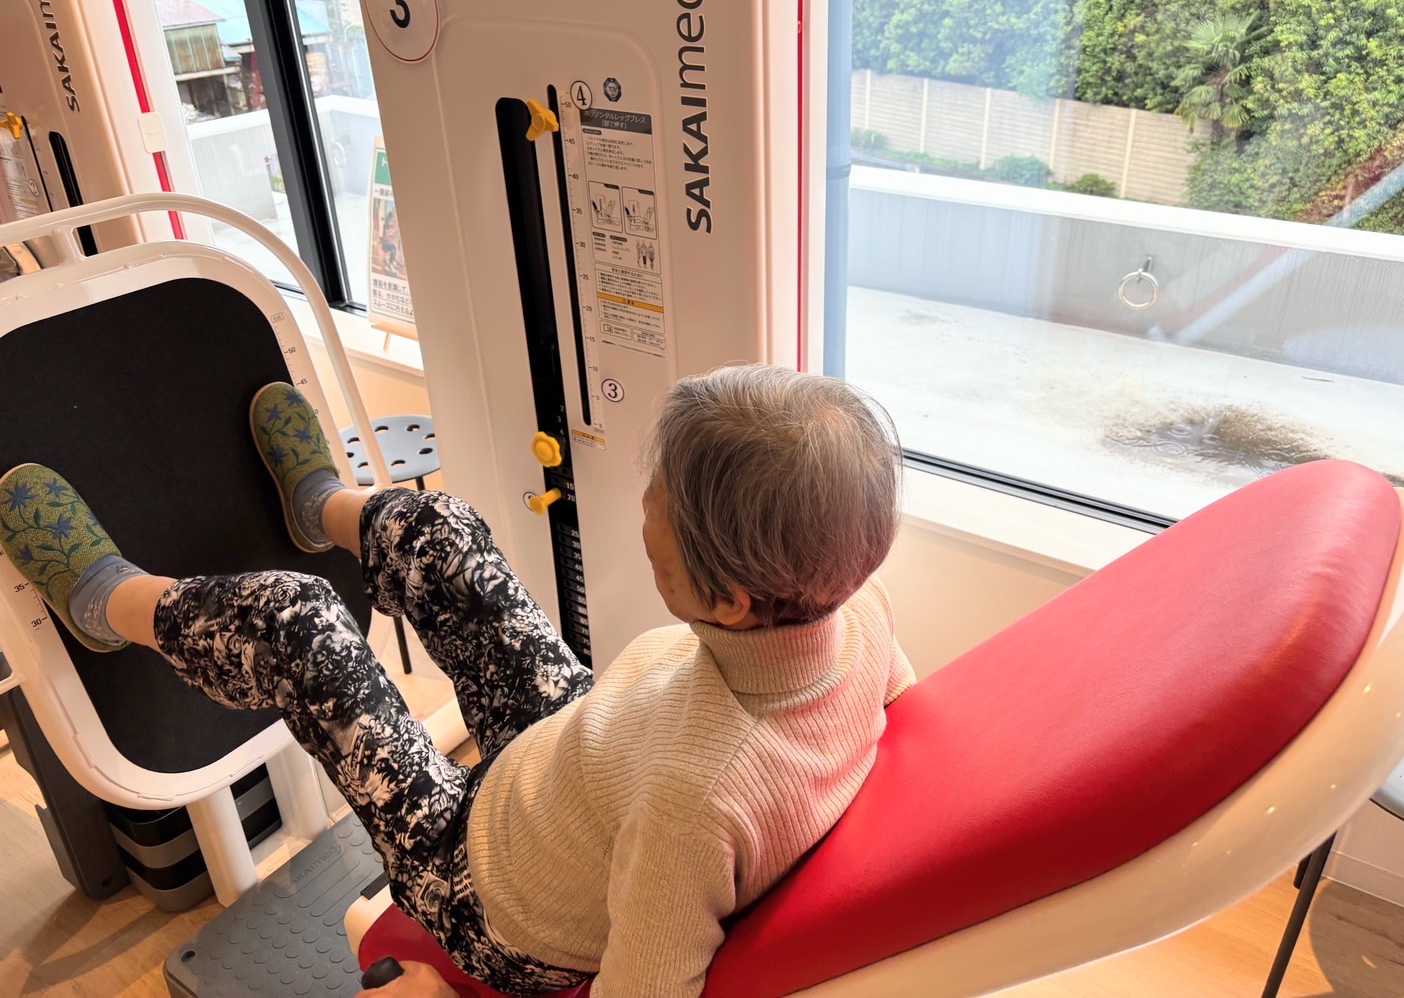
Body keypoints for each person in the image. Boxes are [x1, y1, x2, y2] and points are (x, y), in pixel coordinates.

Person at [0, 364, 914, 996]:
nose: (643, 504)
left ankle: (104, 603)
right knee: (444, 532)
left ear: (735, 601)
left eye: (660, 507)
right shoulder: (856, 610)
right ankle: (321, 509)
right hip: (584, 757)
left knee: (297, 622)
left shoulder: (695, 805)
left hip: (480, 884)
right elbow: (904, 724)